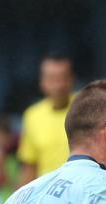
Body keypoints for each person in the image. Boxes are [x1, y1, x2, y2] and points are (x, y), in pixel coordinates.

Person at [17, 53, 76, 185]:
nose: (58, 85)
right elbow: (30, 166)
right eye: (52, 78)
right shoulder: (32, 115)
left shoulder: (87, 107)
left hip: (83, 191)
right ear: (42, 82)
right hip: (47, 195)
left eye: (62, 78)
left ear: (72, 79)